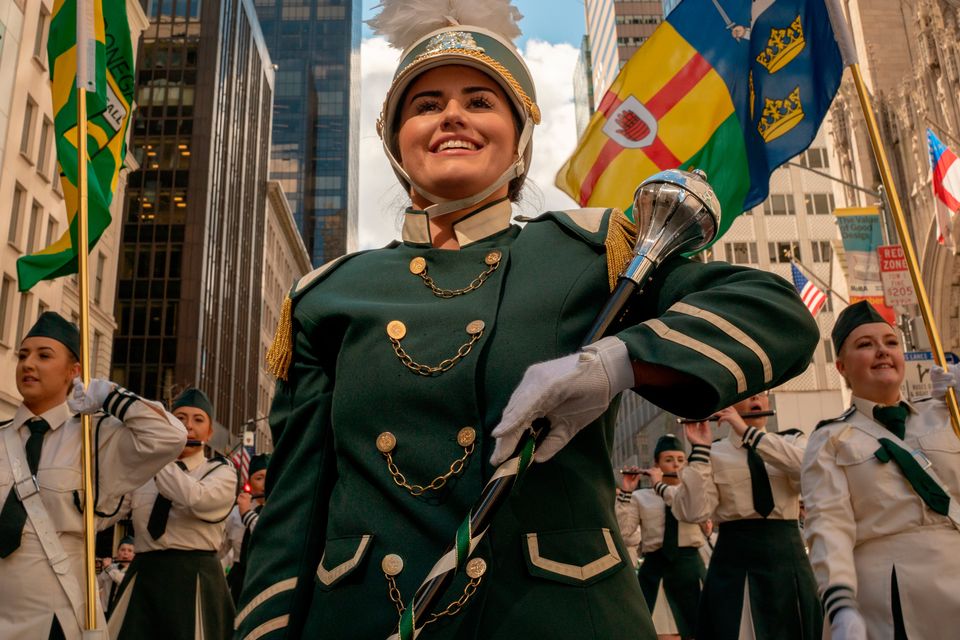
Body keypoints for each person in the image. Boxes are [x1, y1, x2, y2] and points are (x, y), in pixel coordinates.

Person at [234, 3, 819, 638]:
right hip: (364, 618)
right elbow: (291, 516)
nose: (451, 115)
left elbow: (772, 313)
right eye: (425, 104)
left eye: (480, 100)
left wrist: (615, 363)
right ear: (396, 140)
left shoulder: (595, 252)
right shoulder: (327, 293)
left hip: (560, 615)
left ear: (520, 136)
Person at [0, 312, 186, 640]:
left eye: (44, 355)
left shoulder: (96, 436)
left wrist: (108, 396)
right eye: (23, 355)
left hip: (54, 613)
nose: (28, 363)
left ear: (74, 373)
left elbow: (169, 436)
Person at [801, 301, 960, 640]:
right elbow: (829, 526)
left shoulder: (945, 416)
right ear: (841, 367)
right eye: (865, 344)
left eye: (890, 343)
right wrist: (840, 602)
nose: (882, 352)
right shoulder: (831, 438)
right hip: (893, 597)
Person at [672, 391, 821, 639]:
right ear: (729, 405)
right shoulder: (713, 452)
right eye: (749, 395)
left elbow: (810, 470)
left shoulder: (792, 440)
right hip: (733, 558)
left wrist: (748, 434)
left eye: (762, 396)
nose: (757, 400)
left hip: (787, 554)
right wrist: (699, 449)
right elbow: (694, 512)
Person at [107, 388, 237, 639]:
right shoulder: (144, 471)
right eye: (180, 418)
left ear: (209, 433)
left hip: (194, 578)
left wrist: (157, 453)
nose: (188, 426)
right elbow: (107, 510)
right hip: (144, 577)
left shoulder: (221, 472)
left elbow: (194, 497)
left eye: (198, 420)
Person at [617, 434, 706, 640]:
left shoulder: (689, 492)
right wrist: (626, 493)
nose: (675, 464)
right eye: (668, 460)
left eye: (680, 460)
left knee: (697, 629)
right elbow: (624, 532)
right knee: (656, 632)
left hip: (689, 564)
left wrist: (660, 486)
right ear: (656, 464)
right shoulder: (641, 497)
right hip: (655, 567)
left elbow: (694, 512)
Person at [224, 453, 268, 602]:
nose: (265, 484)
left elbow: (268, 535)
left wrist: (247, 514)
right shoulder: (235, 512)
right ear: (250, 481)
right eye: (259, 478)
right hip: (239, 579)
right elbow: (220, 548)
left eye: (269, 477)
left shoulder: (281, 511)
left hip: (265, 576)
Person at [99, 536, 136, 612]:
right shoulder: (110, 568)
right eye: (122, 550)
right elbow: (96, 585)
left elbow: (124, 581)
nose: (125, 553)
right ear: (117, 552)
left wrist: (108, 568)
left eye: (130, 551)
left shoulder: (134, 571)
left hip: (120, 614)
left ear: (134, 555)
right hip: (104, 612)